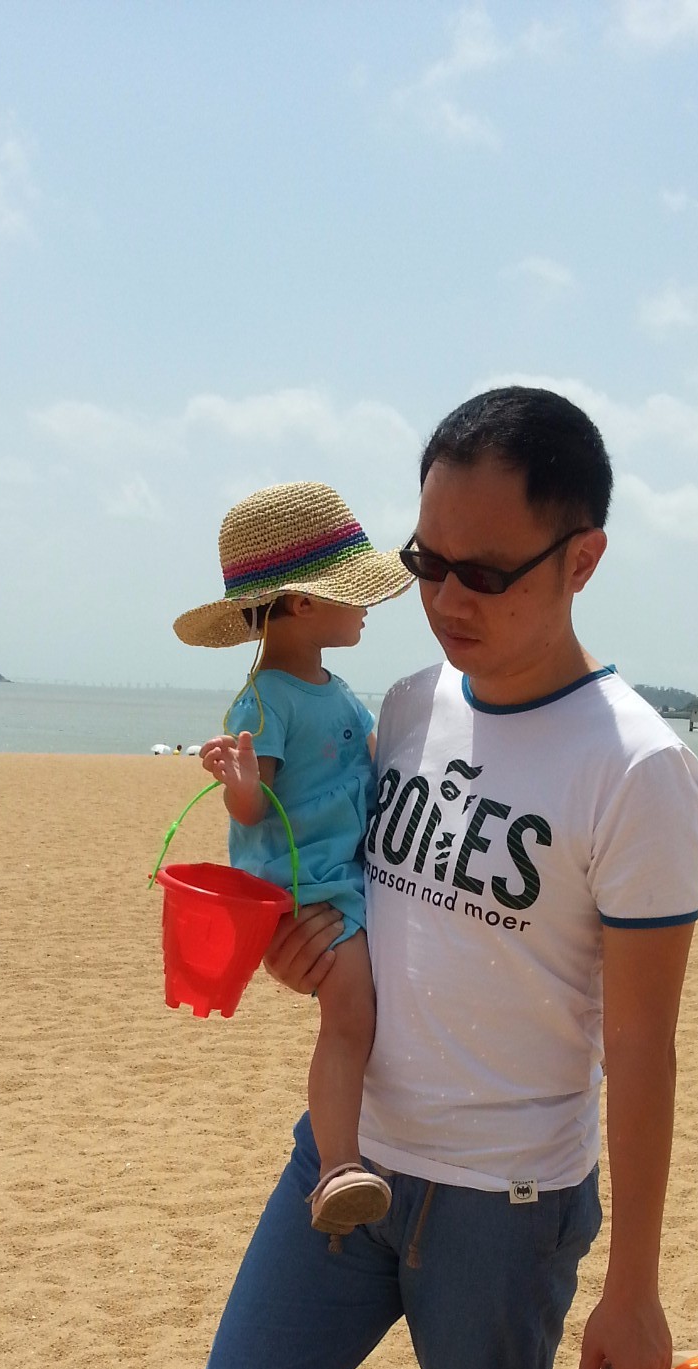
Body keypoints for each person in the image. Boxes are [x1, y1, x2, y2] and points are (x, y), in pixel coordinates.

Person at [184, 388, 698, 1369]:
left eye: (487, 570)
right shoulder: (407, 707)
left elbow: (643, 1045)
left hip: (508, 1198)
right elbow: (346, 898)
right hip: (351, 1161)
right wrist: (292, 953)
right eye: (427, 563)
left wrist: (634, 1284)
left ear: (582, 558)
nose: (447, 599)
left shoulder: (638, 768)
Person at [175, 482, 412, 1235]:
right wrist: (240, 785)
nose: (368, 606)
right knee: (348, 1017)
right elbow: (253, 811)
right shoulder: (264, 700)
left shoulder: (334, 690)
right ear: (305, 603)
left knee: (359, 1013)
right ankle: (339, 1165)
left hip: (346, 874)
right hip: (310, 887)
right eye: (354, 591)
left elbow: (372, 758)